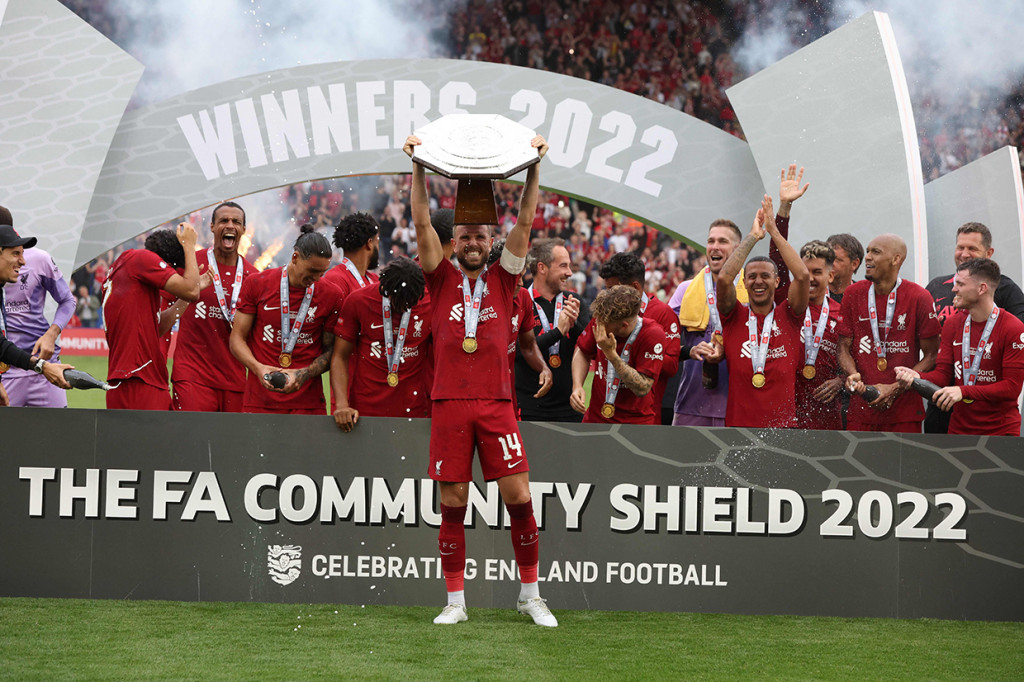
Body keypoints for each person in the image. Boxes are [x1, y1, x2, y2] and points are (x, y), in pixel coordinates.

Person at [404, 132, 557, 627]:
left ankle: (530, 594)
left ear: (491, 242)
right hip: (449, 403)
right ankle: (455, 601)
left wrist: (534, 168)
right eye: (465, 235)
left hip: (496, 403)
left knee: (519, 497)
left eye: (480, 236)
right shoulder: (438, 276)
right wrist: (420, 166)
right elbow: (421, 219)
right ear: (456, 243)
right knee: (453, 503)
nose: (472, 242)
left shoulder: (507, 277)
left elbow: (528, 220)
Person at [897, 258, 1024, 436]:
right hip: (959, 430)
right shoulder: (953, 324)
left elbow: (1011, 388)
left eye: (960, 284)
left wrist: (963, 391)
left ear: (981, 289)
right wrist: (917, 376)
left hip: (1000, 432)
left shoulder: (1013, 327)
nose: (953, 289)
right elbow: (942, 375)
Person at [715, 196, 809, 428]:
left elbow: (803, 276)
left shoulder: (790, 315)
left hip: (783, 430)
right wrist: (753, 237)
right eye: (752, 277)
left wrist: (774, 232)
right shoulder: (733, 316)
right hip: (739, 428)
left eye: (765, 276)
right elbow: (725, 278)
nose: (758, 281)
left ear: (777, 281)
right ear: (744, 283)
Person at [923, 222, 1024, 433]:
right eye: (960, 247)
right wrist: (914, 376)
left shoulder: (1008, 295)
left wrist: (964, 390)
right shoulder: (942, 299)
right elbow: (938, 365)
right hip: (948, 403)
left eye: (972, 248)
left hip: (994, 418)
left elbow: (1012, 383)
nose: (964, 254)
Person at [229, 226, 342, 415]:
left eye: (322, 273)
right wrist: (259, 368)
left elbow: (332, 351)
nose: (315, 279)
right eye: (312, 271)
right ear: (295, 258)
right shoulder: (258, 283)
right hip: (260, 401)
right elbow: (236, 339)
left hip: (308, 403)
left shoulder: (332, 295)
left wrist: (303, 374)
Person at [838, 234, 940, 433]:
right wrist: (853, 375)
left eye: (875, 252)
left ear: (896, 259)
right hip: (861, 409)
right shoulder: (853, 294)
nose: (867, 257)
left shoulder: (919, 296)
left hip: (904, 412)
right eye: (867, 251)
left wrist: (894, 388)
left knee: (903, 465)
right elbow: (843, 347)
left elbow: (932, 355)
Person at [167, 202, 257, 412]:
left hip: (235, 381)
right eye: (224, 220)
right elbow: (161, 313)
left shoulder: (254, 278)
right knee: (191, 441)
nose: (230, 225)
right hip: (192, 376)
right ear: (212, 226)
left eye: (236, 222)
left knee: (230, 445)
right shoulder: (190, 263)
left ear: (244, 229)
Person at [102, 224, 201, 410]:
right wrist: (189, 245)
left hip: (125, 379)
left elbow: (158, 327)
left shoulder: (124, 269)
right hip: (141, 381)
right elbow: (191, 290)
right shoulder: (142, 258)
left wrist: (185, 297)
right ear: (165, 264)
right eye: (172, 271)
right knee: (157, 439)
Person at [331, 256, 432, 430]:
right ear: (385, 289)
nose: (404, 307)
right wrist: (341, 404)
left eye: (410, 303)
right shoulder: (359, 301)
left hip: (414, 412)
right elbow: (340, 356)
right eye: (398, 301)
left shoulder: (431, 302)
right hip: (365, 412)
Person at [0, 207, 76, 407]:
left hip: (42, 367)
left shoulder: (38, 259)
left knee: (58, 434)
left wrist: (51, 334)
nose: (21, 261)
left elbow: (68, 300)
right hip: (6, 371)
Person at [597, 252, 680, 419]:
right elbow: (584, 348)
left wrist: (641, 354)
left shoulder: (662, 313)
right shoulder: (606, 311)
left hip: (643, 415)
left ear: (635, 287)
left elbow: (671, 366)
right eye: (607, 289)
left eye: (613, 290)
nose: (609, 295)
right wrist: (577, 386)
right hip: (602, 414)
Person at [570, 285, 667, 424]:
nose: (599, 327)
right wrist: (577, 385)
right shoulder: (602, 320)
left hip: (635, 425)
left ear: (624, 325)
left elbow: (643, 387)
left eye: (605, 325)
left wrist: (611, 355)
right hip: (595, 420)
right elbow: (582, 351)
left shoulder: (652, 334)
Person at [515, 238, 587, 422]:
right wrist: (557, 332)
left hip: (570, 408)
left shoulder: (574, 302)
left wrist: (576, 324)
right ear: (542, 268)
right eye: (563, 266)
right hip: (530, 408)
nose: (569, 273)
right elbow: (518, 351)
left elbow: (589, 348)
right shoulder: (520, 300)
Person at [487, 239, 552, 418]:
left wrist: (543, 368)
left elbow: (528, 345)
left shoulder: (523, 298)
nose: (522, 284)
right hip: (472, 394)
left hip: (506, 394)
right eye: (516, 277)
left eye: (523, 276)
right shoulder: (473, 300)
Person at [793, 241, 843, 430]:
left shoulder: (843, 314)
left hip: (827, 415)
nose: (810, 278)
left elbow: (858, 360)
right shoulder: (788, 309)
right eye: (805, 272)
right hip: (789, 413)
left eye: (817, 272)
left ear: (830, 276)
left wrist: (841, 382)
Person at [323, 212, 380, 299]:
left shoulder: (375, 280)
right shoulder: (336, 279)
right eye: (377, 242)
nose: (378, 248)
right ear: (370, 243)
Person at [825, 233, 864, 303]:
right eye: (828, 258)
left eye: (837, 260)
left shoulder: (864, 296)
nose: (830, 263)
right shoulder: (812, 293)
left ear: (854, 264)